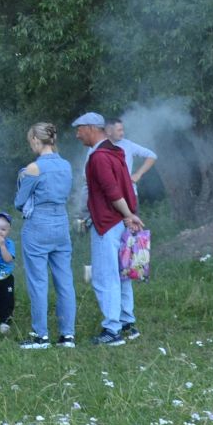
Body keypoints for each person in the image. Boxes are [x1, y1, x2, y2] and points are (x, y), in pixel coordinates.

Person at [74, 111, 146, 345]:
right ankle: (127, 322)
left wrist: (128, 214)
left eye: (79, 129)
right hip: (121, 222)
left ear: (92, 128)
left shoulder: (99, 157)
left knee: (105, 277)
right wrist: (130, 213)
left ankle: (112, 330)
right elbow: (125, 186)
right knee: (123, 274)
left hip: (107, 222)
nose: (77, 134)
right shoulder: (117, 152)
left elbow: (111, 190)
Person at [14, 122, 76, 349]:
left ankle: (41, 335)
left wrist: (22, 179)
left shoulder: (33, 168)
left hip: (38, 226)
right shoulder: (66, 166)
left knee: (38, 282)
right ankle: (68, 335)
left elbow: (19, 203)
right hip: (61, 223)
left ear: (35, 141)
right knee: (65, 281)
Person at [109, 119, 159, 189]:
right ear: (109, 131)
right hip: (108, 194)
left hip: (129, 192)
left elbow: (152, 156)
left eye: (122, 130)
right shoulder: (97, 146)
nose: (122, 133)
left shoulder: (128, 144)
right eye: (119, 130)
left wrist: (138, 174)